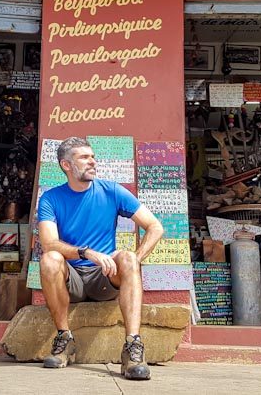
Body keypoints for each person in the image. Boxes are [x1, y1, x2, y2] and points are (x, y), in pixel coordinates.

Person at [37, 137, 164, 381]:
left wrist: (133, 264)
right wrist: (86, 252)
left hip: (104, 279)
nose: (92, 161)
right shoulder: (51, 198)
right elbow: (49, 243)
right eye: (84, 157)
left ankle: (133, 348)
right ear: (66, 165)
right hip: (70, 279)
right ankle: (65, 339)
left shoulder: (112, 190)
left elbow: (155, 227)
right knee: (50, 258)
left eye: (93, 156)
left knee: (127, 257)